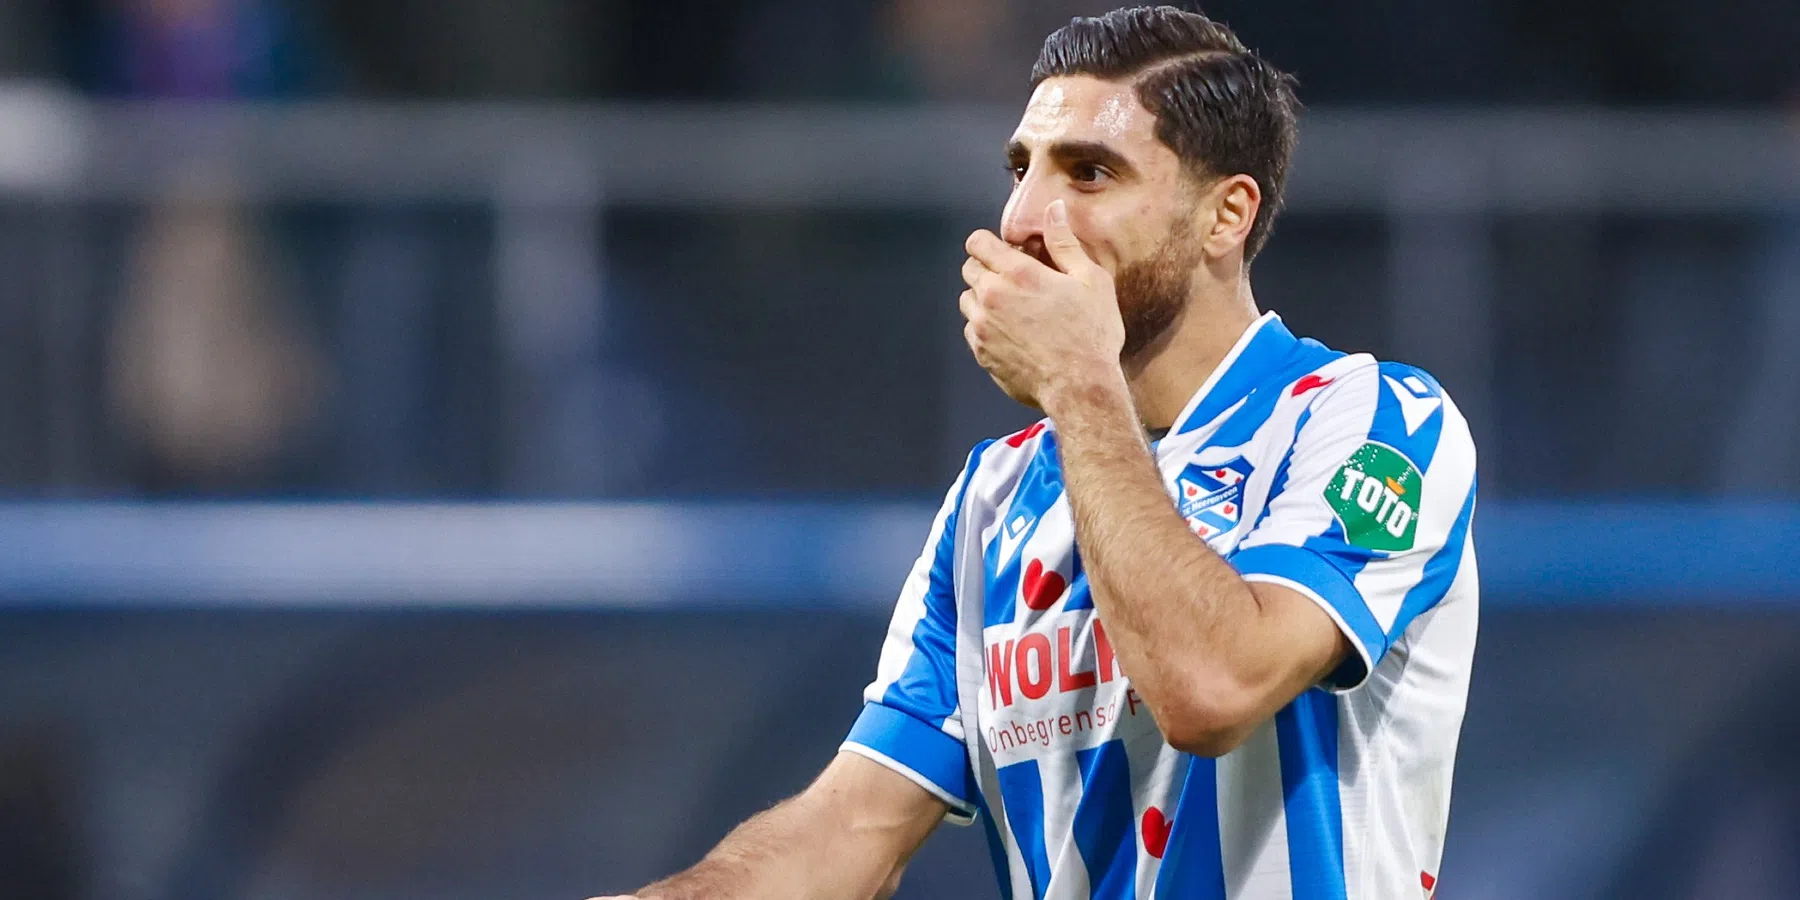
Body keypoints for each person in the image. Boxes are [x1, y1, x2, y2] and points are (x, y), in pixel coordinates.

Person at [592, 7, 1479, 899]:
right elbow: (850, 826)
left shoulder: (1374, 423)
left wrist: (1078, 383)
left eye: (1090, 173)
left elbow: (1212, 689)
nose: (1021, 220)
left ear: (1225, 216)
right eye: (1021, 170)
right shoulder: (997, 496)